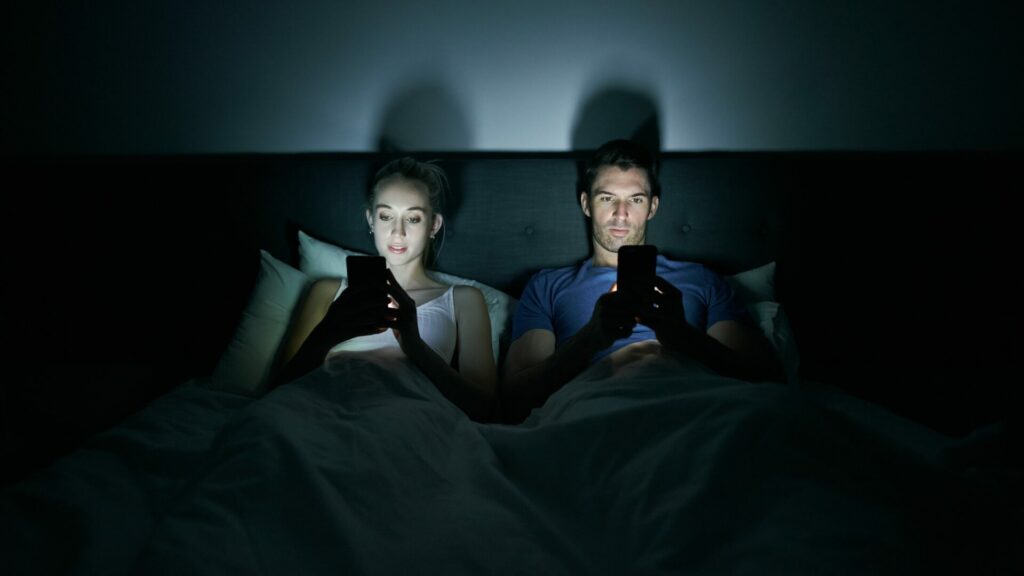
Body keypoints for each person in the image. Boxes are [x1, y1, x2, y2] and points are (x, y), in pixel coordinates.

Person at [502, 139, 782, 423]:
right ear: (587, 204)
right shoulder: (548, 286)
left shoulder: (702, 280)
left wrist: (683, 336)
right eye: (607, 198)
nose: (621, 214)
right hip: (592, 411)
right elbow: (512, 402)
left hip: (689, 407)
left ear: (652, 207)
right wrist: (590, 338)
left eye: (635, 199)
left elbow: (767, 384)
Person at [278, 157, 497, 422]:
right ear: (371, 219)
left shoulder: (464, 300)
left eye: (413, 218)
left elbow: (486, 409)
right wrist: (328, 333)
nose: (398, 232)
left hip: (408, 423)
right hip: (324, 415)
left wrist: (414, 346)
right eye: (386, 216)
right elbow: (279, 390)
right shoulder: (327, 291)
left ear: (433, 225)